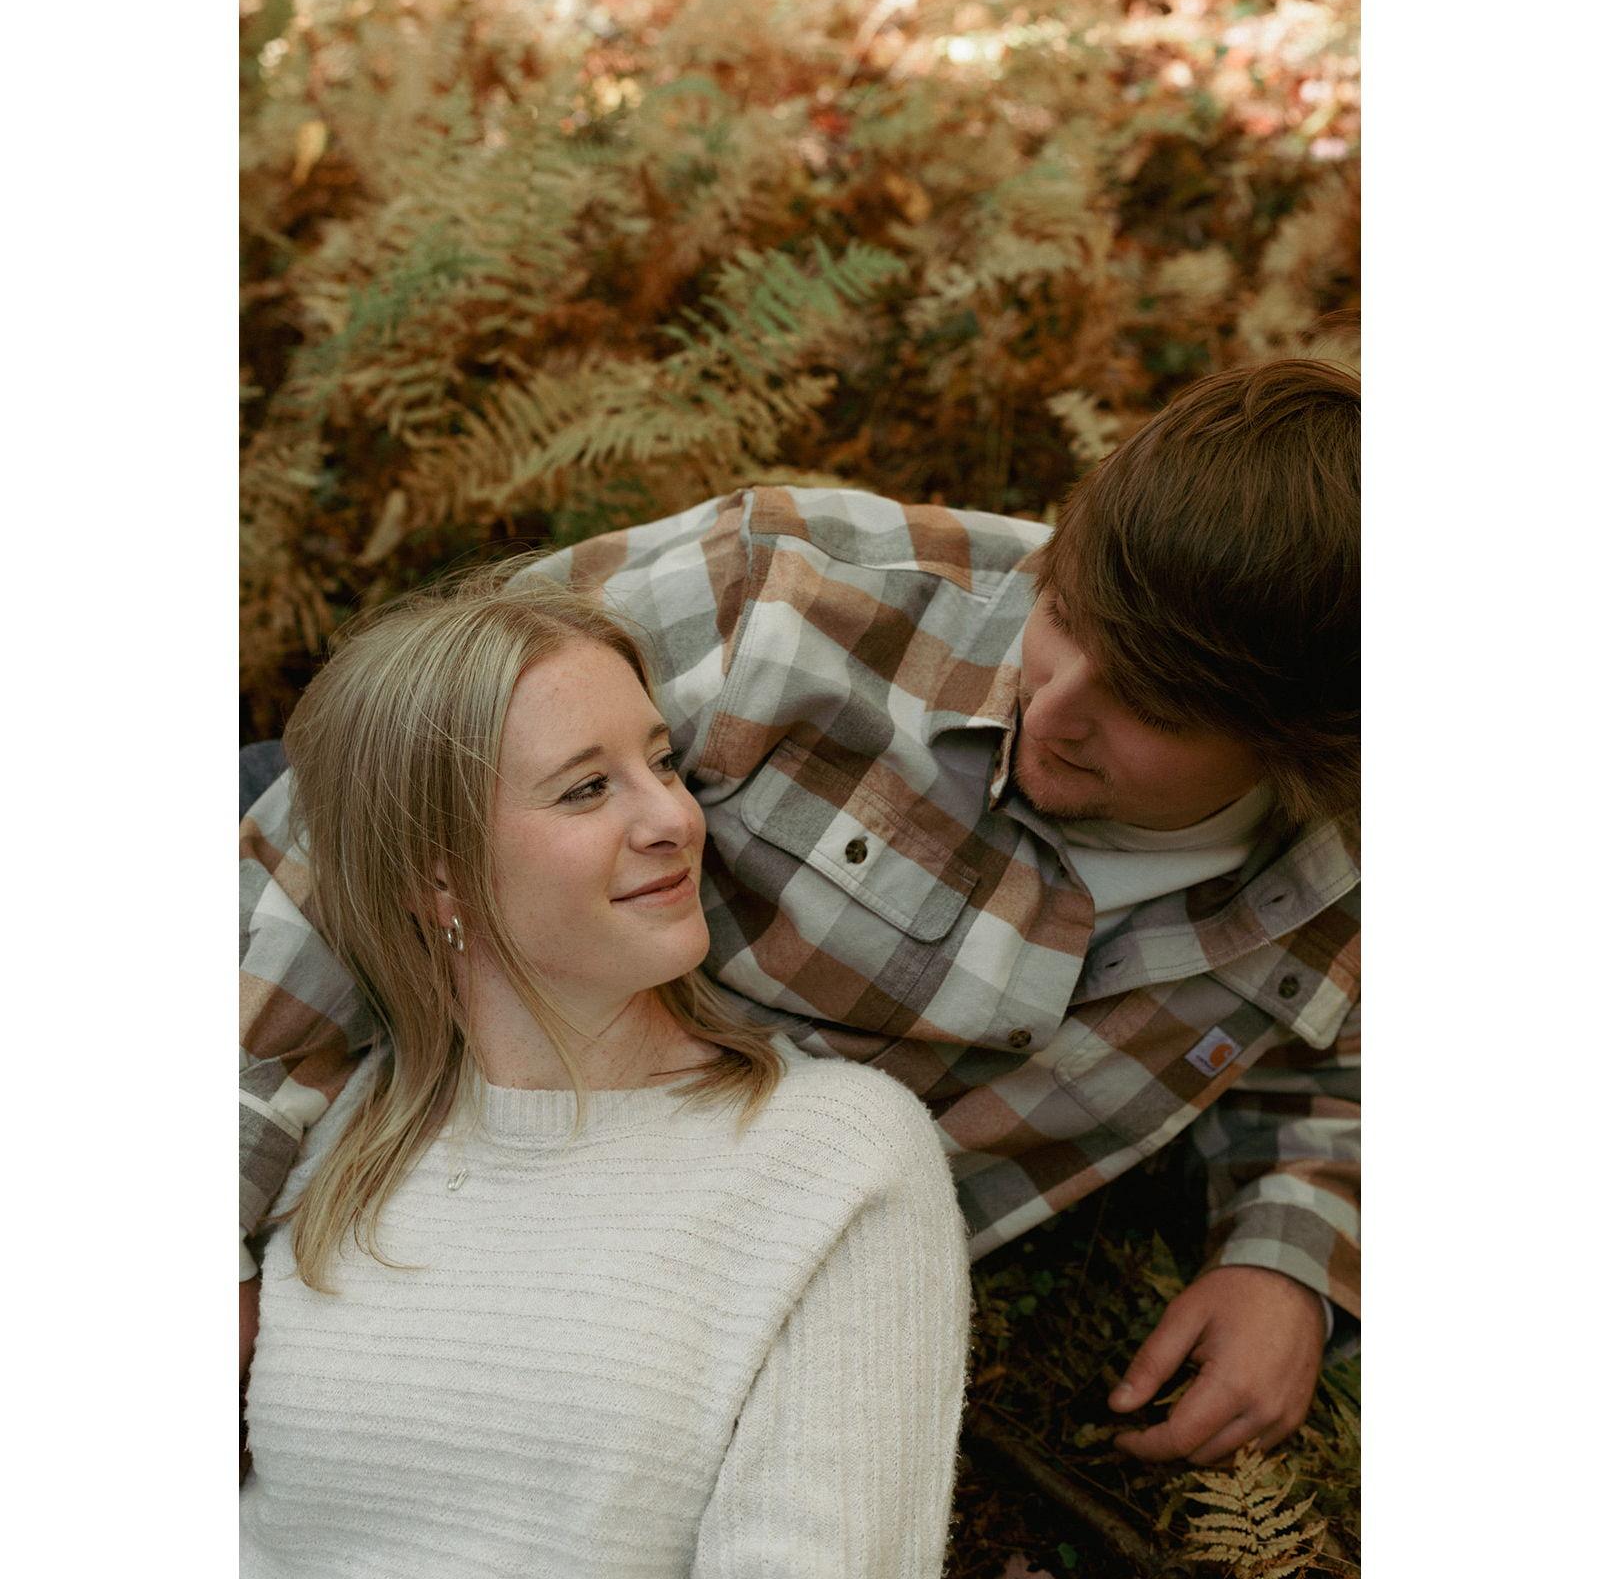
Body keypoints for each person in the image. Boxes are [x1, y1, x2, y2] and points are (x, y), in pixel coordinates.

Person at [243, 356, 1359, 1470]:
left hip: (672, 1307)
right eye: (1061, 614)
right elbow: (342, 829)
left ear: (1306, 750)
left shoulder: (1358, 870)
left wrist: (1290, 1256)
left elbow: (1334, 1067)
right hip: (403, 1096)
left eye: (1149, 705)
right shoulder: (780, 594)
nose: (1053, 705)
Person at [238, 569, 971, 1577]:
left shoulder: (837, 1159)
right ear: (434, 874)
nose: (675, 817)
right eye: (588, 787)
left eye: (663, 763)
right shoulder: (341, 1132)